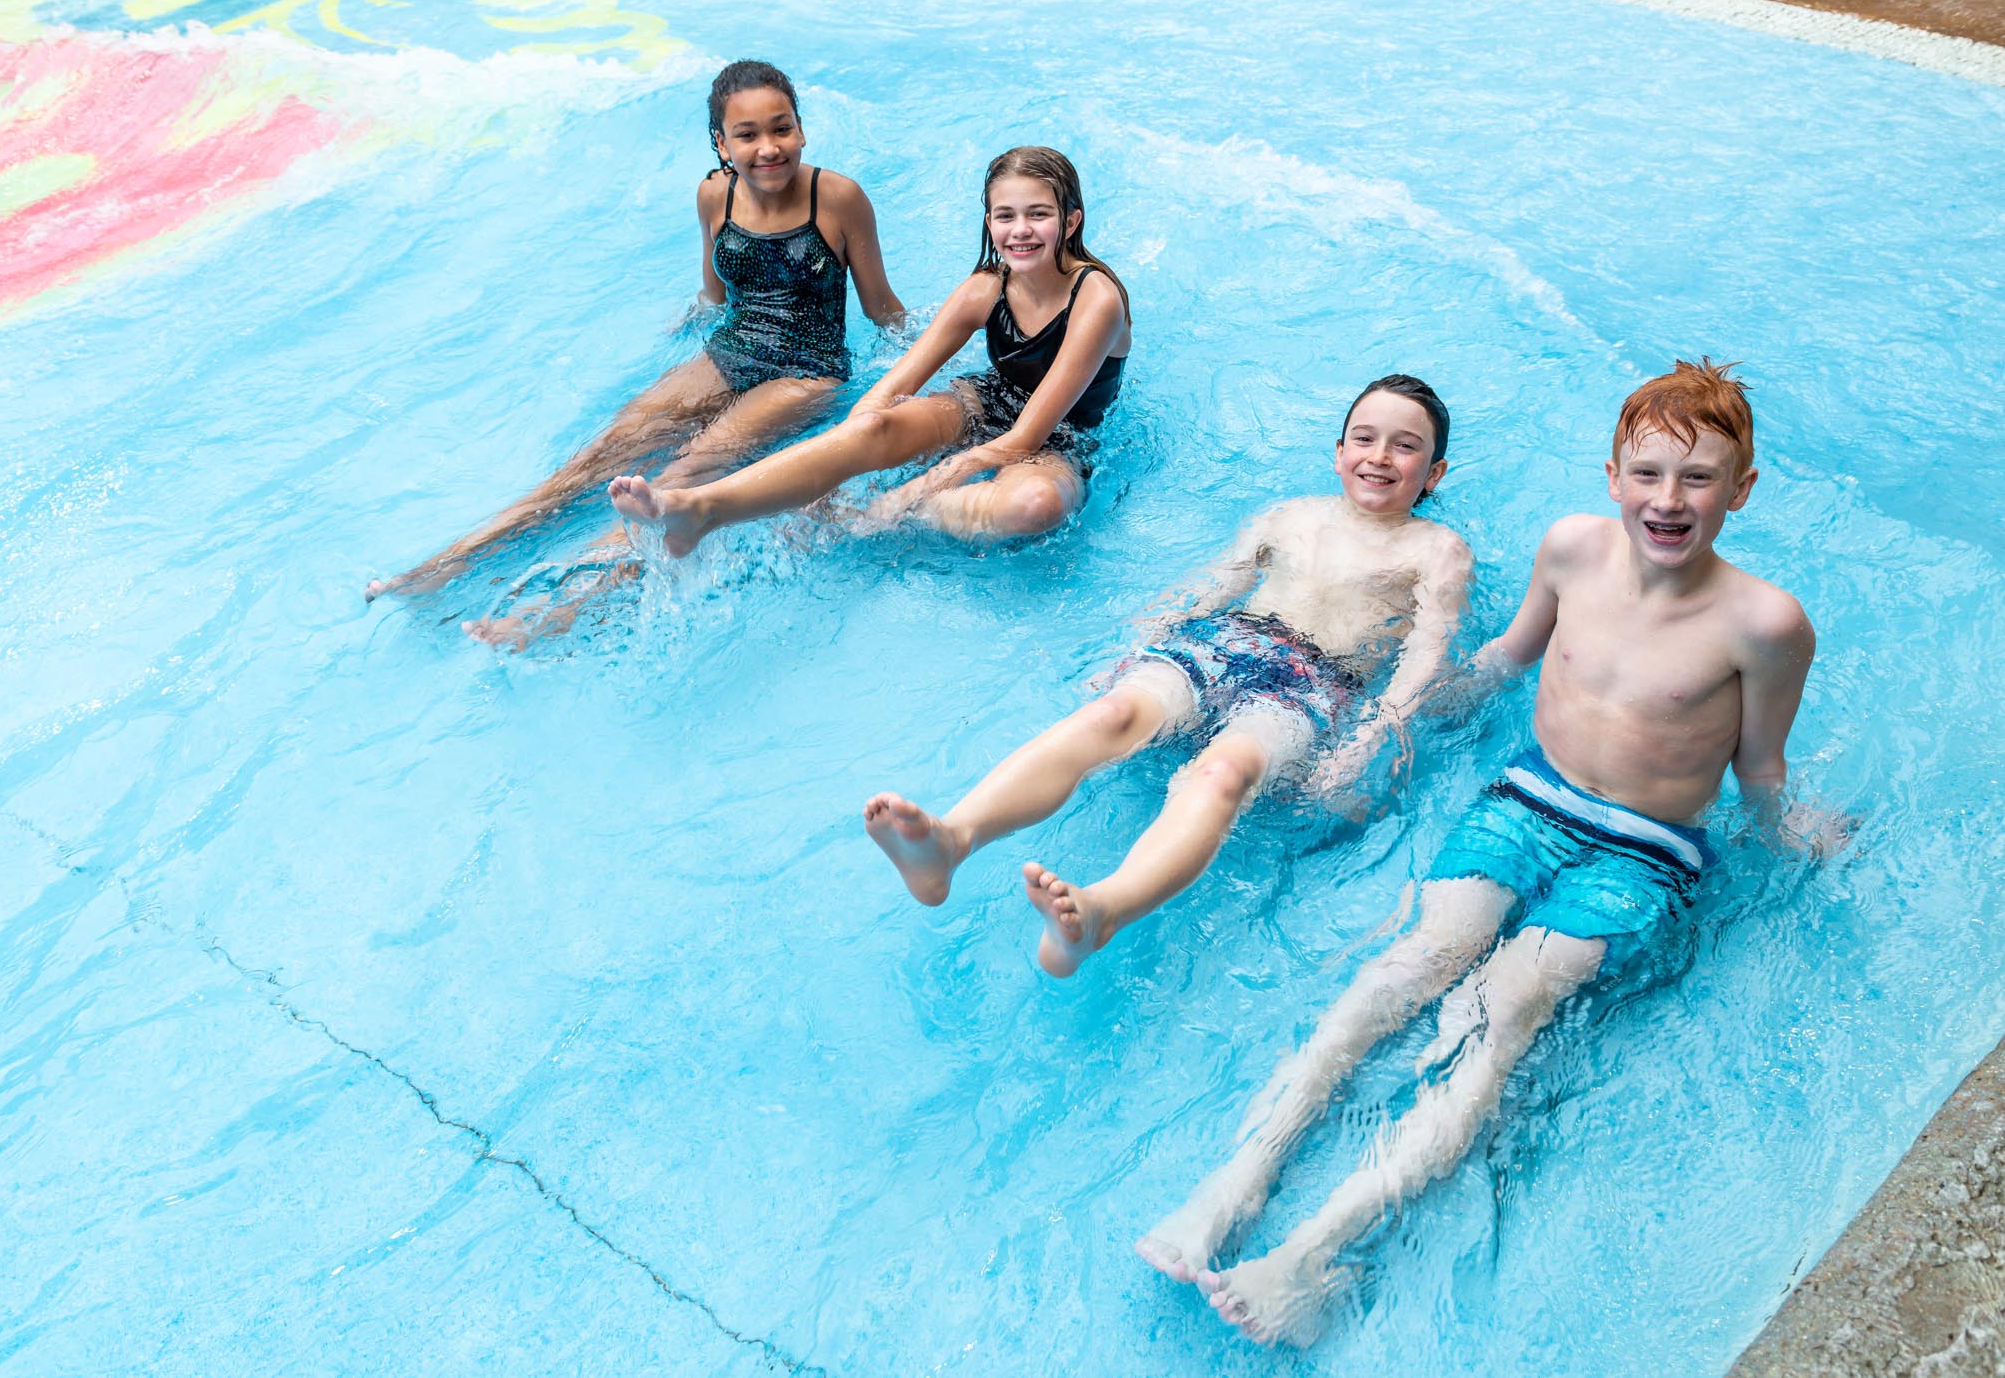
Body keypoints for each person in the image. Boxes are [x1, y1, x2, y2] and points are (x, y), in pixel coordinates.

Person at [1136, 360, 1818, 1348]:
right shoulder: (1571, 550)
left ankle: (1309, 1252)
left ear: (1740, 488)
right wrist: (1393, 715)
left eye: (1698, 478)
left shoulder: (1763, 623)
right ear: (1612, 474)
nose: (1668, 500)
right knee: (1399, 971)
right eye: (1647, 474)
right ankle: (1233, 1181)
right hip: (1525, 799)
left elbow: (1757, 766)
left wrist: (1788, 826)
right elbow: (1509, 655)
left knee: (1494, 1012)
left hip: (1639, 850)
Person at [865, 376, 1470, 976]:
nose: (1380, 456)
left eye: (1405, 446)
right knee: (1111, 715)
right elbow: (1212, 586)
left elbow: (1425, 656)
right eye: (1364, 438)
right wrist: (1135, 647)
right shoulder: (1291, 516)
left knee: (1225, 771)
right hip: (1223, 641)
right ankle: (952, 841)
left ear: (1433, 474)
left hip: (1314, 682)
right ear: (1338, 453)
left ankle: (1103, 910)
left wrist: (1368, 740)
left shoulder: (1436, 549)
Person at [364, 59, 906, 625]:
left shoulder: (838, 198)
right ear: (722, 142)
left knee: (675, 481)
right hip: (733, 350)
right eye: (748, 135)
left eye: (782, 128)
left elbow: (880, 308)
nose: (769, 147)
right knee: (586, 466)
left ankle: (548, 613)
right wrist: (688, 319)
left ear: (801, 129)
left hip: (807, 371)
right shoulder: (713, 196)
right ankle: (441, 570)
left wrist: (920, 363)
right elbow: (715, 293)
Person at [608, 145, 1130, 557]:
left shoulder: (1096, 298)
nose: (1019, 231)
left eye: (1037, 214)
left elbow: (1026, 438)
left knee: (1034, 505)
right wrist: (839, 463)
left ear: (1071, 221)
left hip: (1057, 439)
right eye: (1005, 215)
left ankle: (872, 523)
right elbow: (890, 390)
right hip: (983, 404)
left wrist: (906, 494)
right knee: (874, 426)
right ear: (989, 221)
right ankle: (698, 509)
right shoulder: (984, 289)